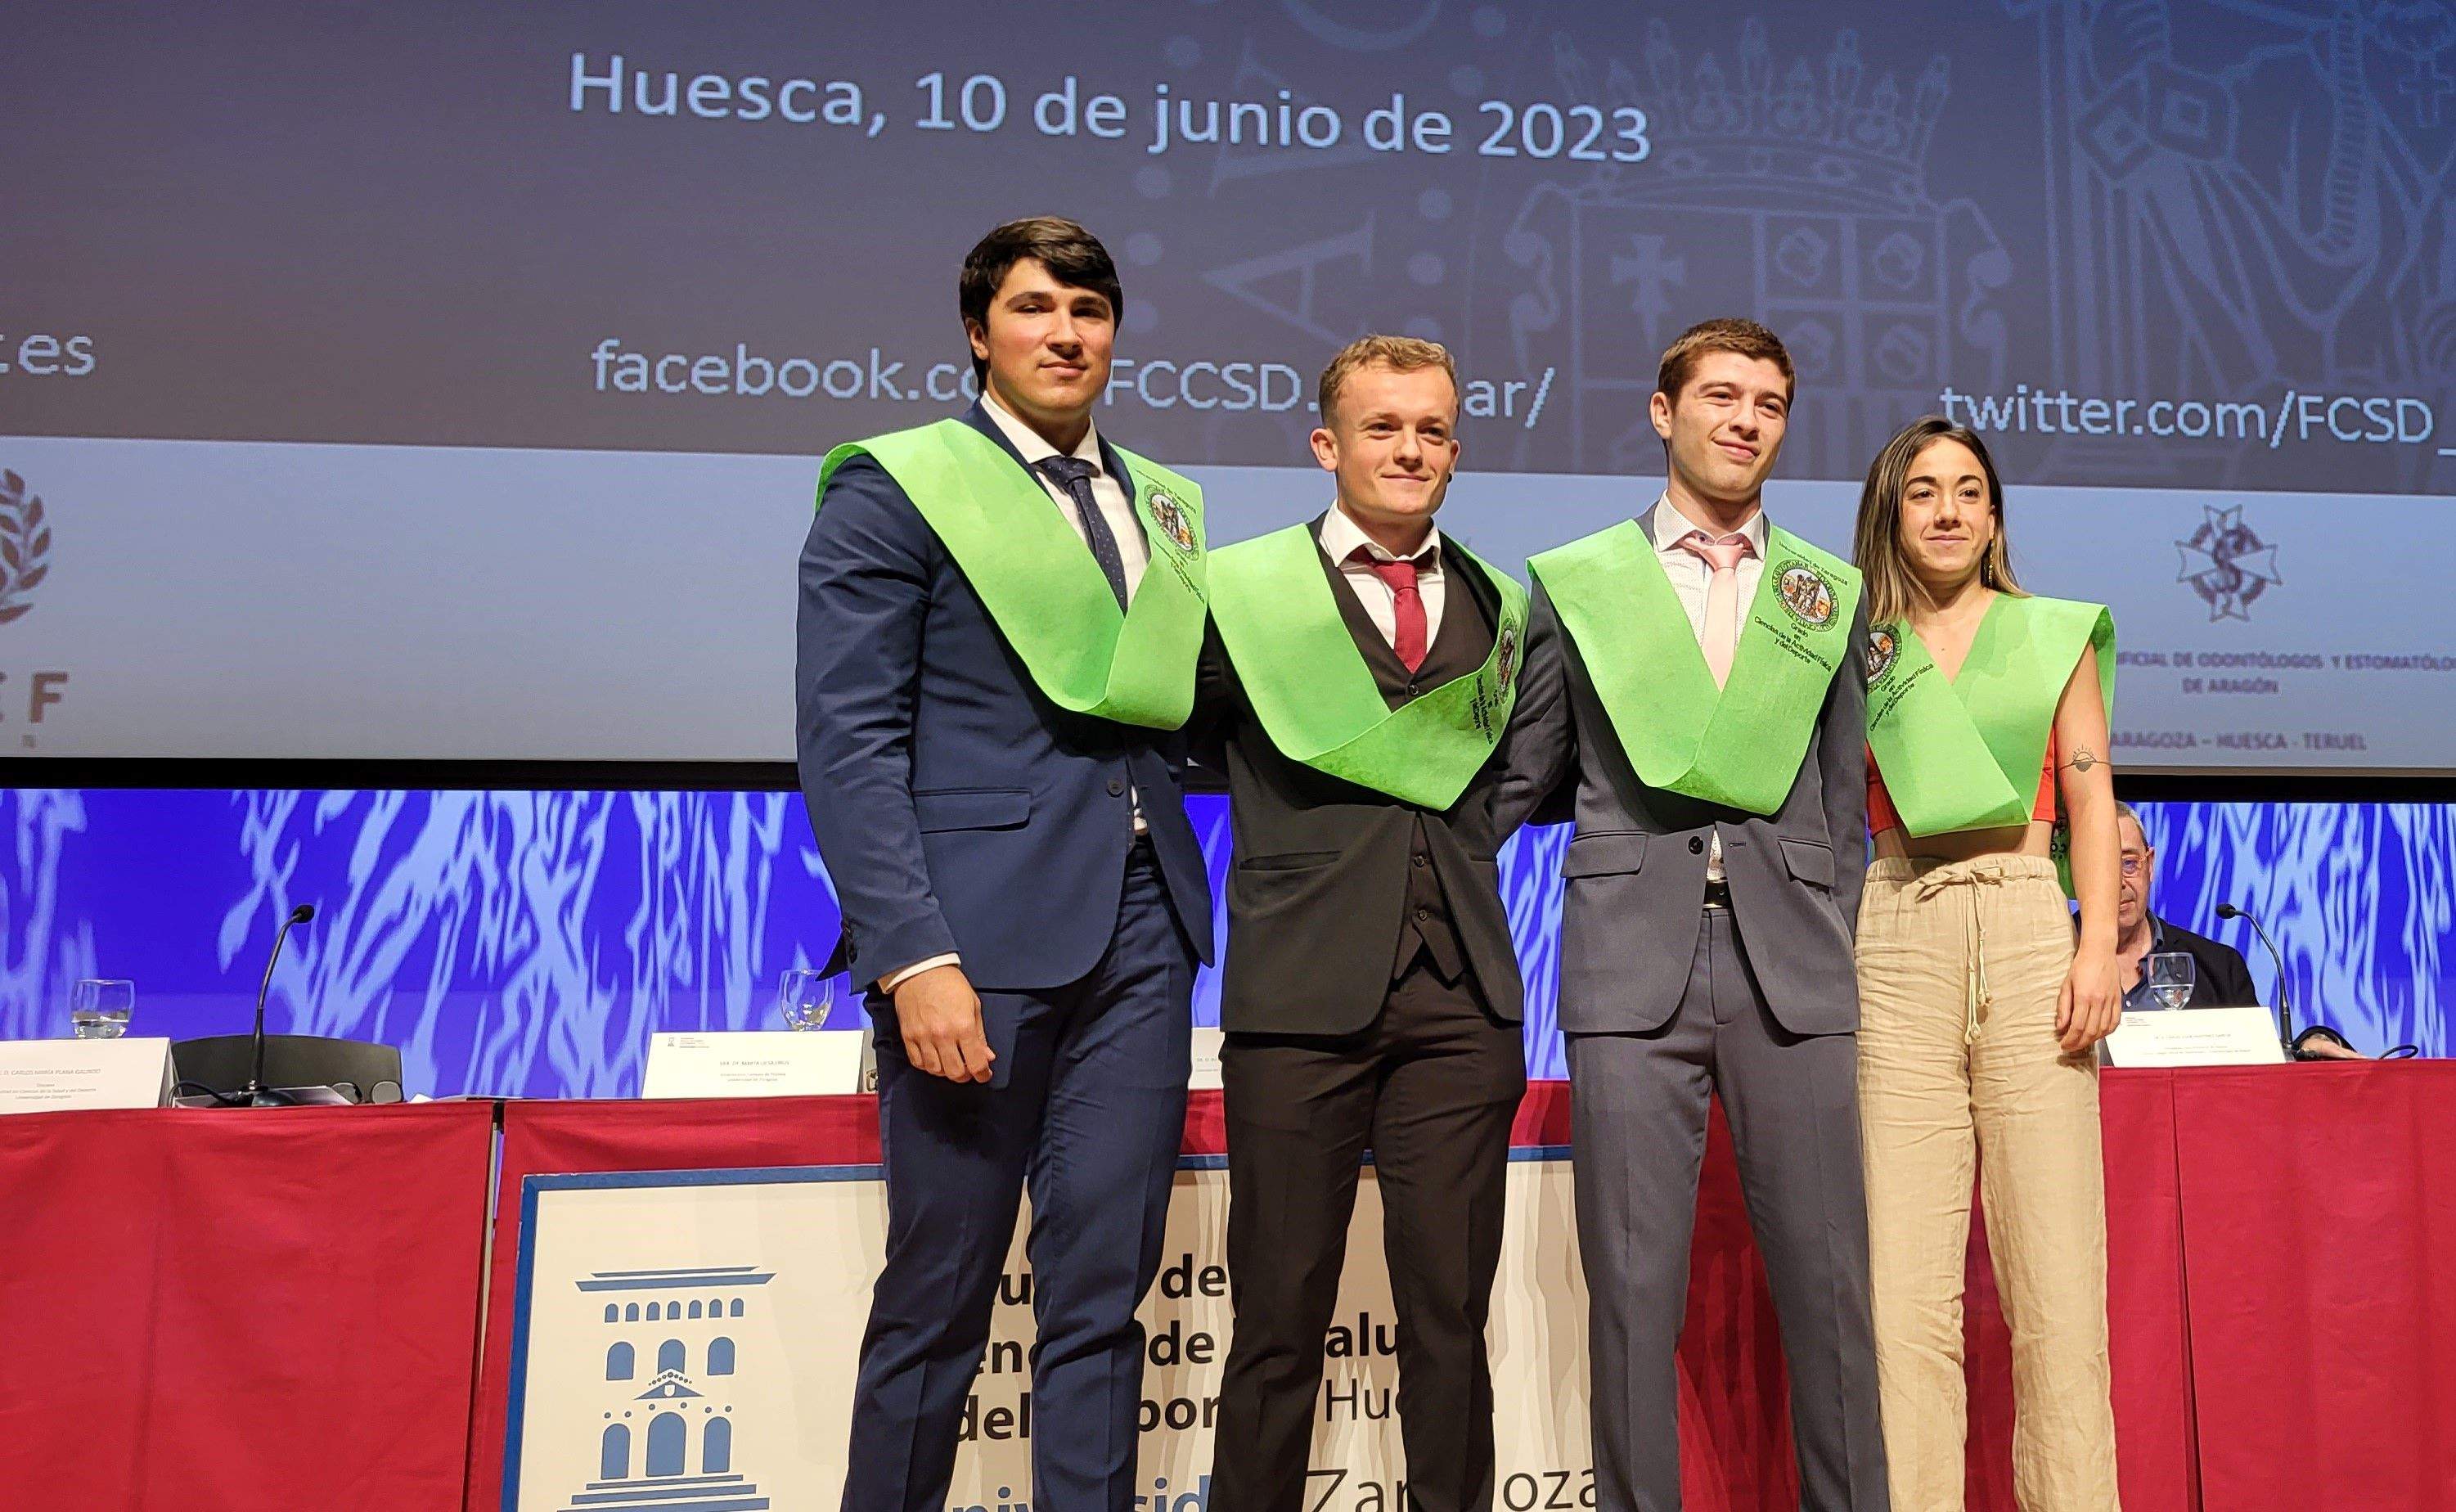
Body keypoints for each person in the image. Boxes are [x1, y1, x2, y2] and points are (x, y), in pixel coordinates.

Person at [795, 217, 1215, 1512]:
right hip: (970, 948)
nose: (1065, 333)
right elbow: (849, 742)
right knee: (939, 1300)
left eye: (1088, 310)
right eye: (1035, 308)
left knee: (1102, 1301)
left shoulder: (1160, 501)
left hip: (1142, 934)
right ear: (979, 334)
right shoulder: (898, 488)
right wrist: (910, 955)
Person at [1499, 317, 1887, 1510]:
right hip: (1630, 965)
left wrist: (1827, 929)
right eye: (1720, 396)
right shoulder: (1581, 583)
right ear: (1663, 413)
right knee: (1629, 1296)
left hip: (1792, 970)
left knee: (1831, 1291)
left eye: (1766, 404)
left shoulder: (1825, 592)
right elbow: (1525, 774)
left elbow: (1841, 803)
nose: (1744, 421)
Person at [1199, 335, 1534, 1512]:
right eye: (1382, 427)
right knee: (1276, 1322)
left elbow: (1515, 777)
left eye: (1431, 429)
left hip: (1462, 1001)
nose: (1409, 449)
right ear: (1325, 445)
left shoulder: (1502, 603)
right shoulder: (1247, 592)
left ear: (1455, 450)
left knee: (1448, 1320)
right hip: (1298, 993)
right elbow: (1185, 743)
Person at [1851, 415, 2122, 1510]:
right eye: (1923, 491)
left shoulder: (2051, 633)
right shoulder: (1854, 647)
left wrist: (2094, 947)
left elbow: (2092, 798)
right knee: (1901, 1293)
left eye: (1968, 491)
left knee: (2055, 1286)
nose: (1948, 511)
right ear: (1890, 512)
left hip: (2025, 927)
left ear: (1995, 517)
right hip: (1894, 929)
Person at [2112, 802, 2257, 1010]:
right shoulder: (2061, 961)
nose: (2118, 882)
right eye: (2101, 867)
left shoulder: (2221, 969)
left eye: (2129, 863)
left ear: (2150, 864)